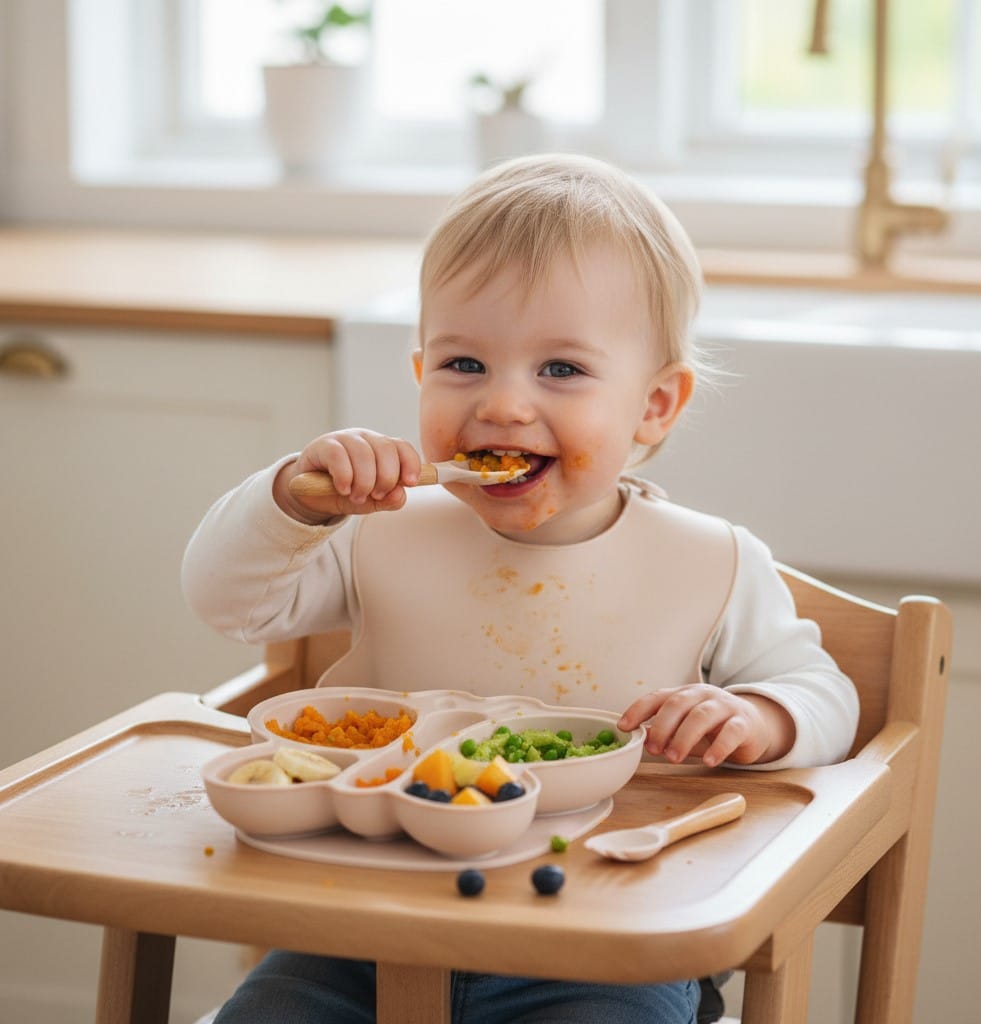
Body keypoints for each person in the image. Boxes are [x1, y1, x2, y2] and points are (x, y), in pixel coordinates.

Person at [183, 153, 859, 1024]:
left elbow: (825, 694)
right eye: (464, 364)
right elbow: (227, 600)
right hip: (359, 924)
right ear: (420, 373)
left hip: (608, 940)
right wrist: (289, 498)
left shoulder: (711, 563)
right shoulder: (383, 528)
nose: (502, 405)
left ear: (654, 405)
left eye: (561, 371)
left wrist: (761, 717)